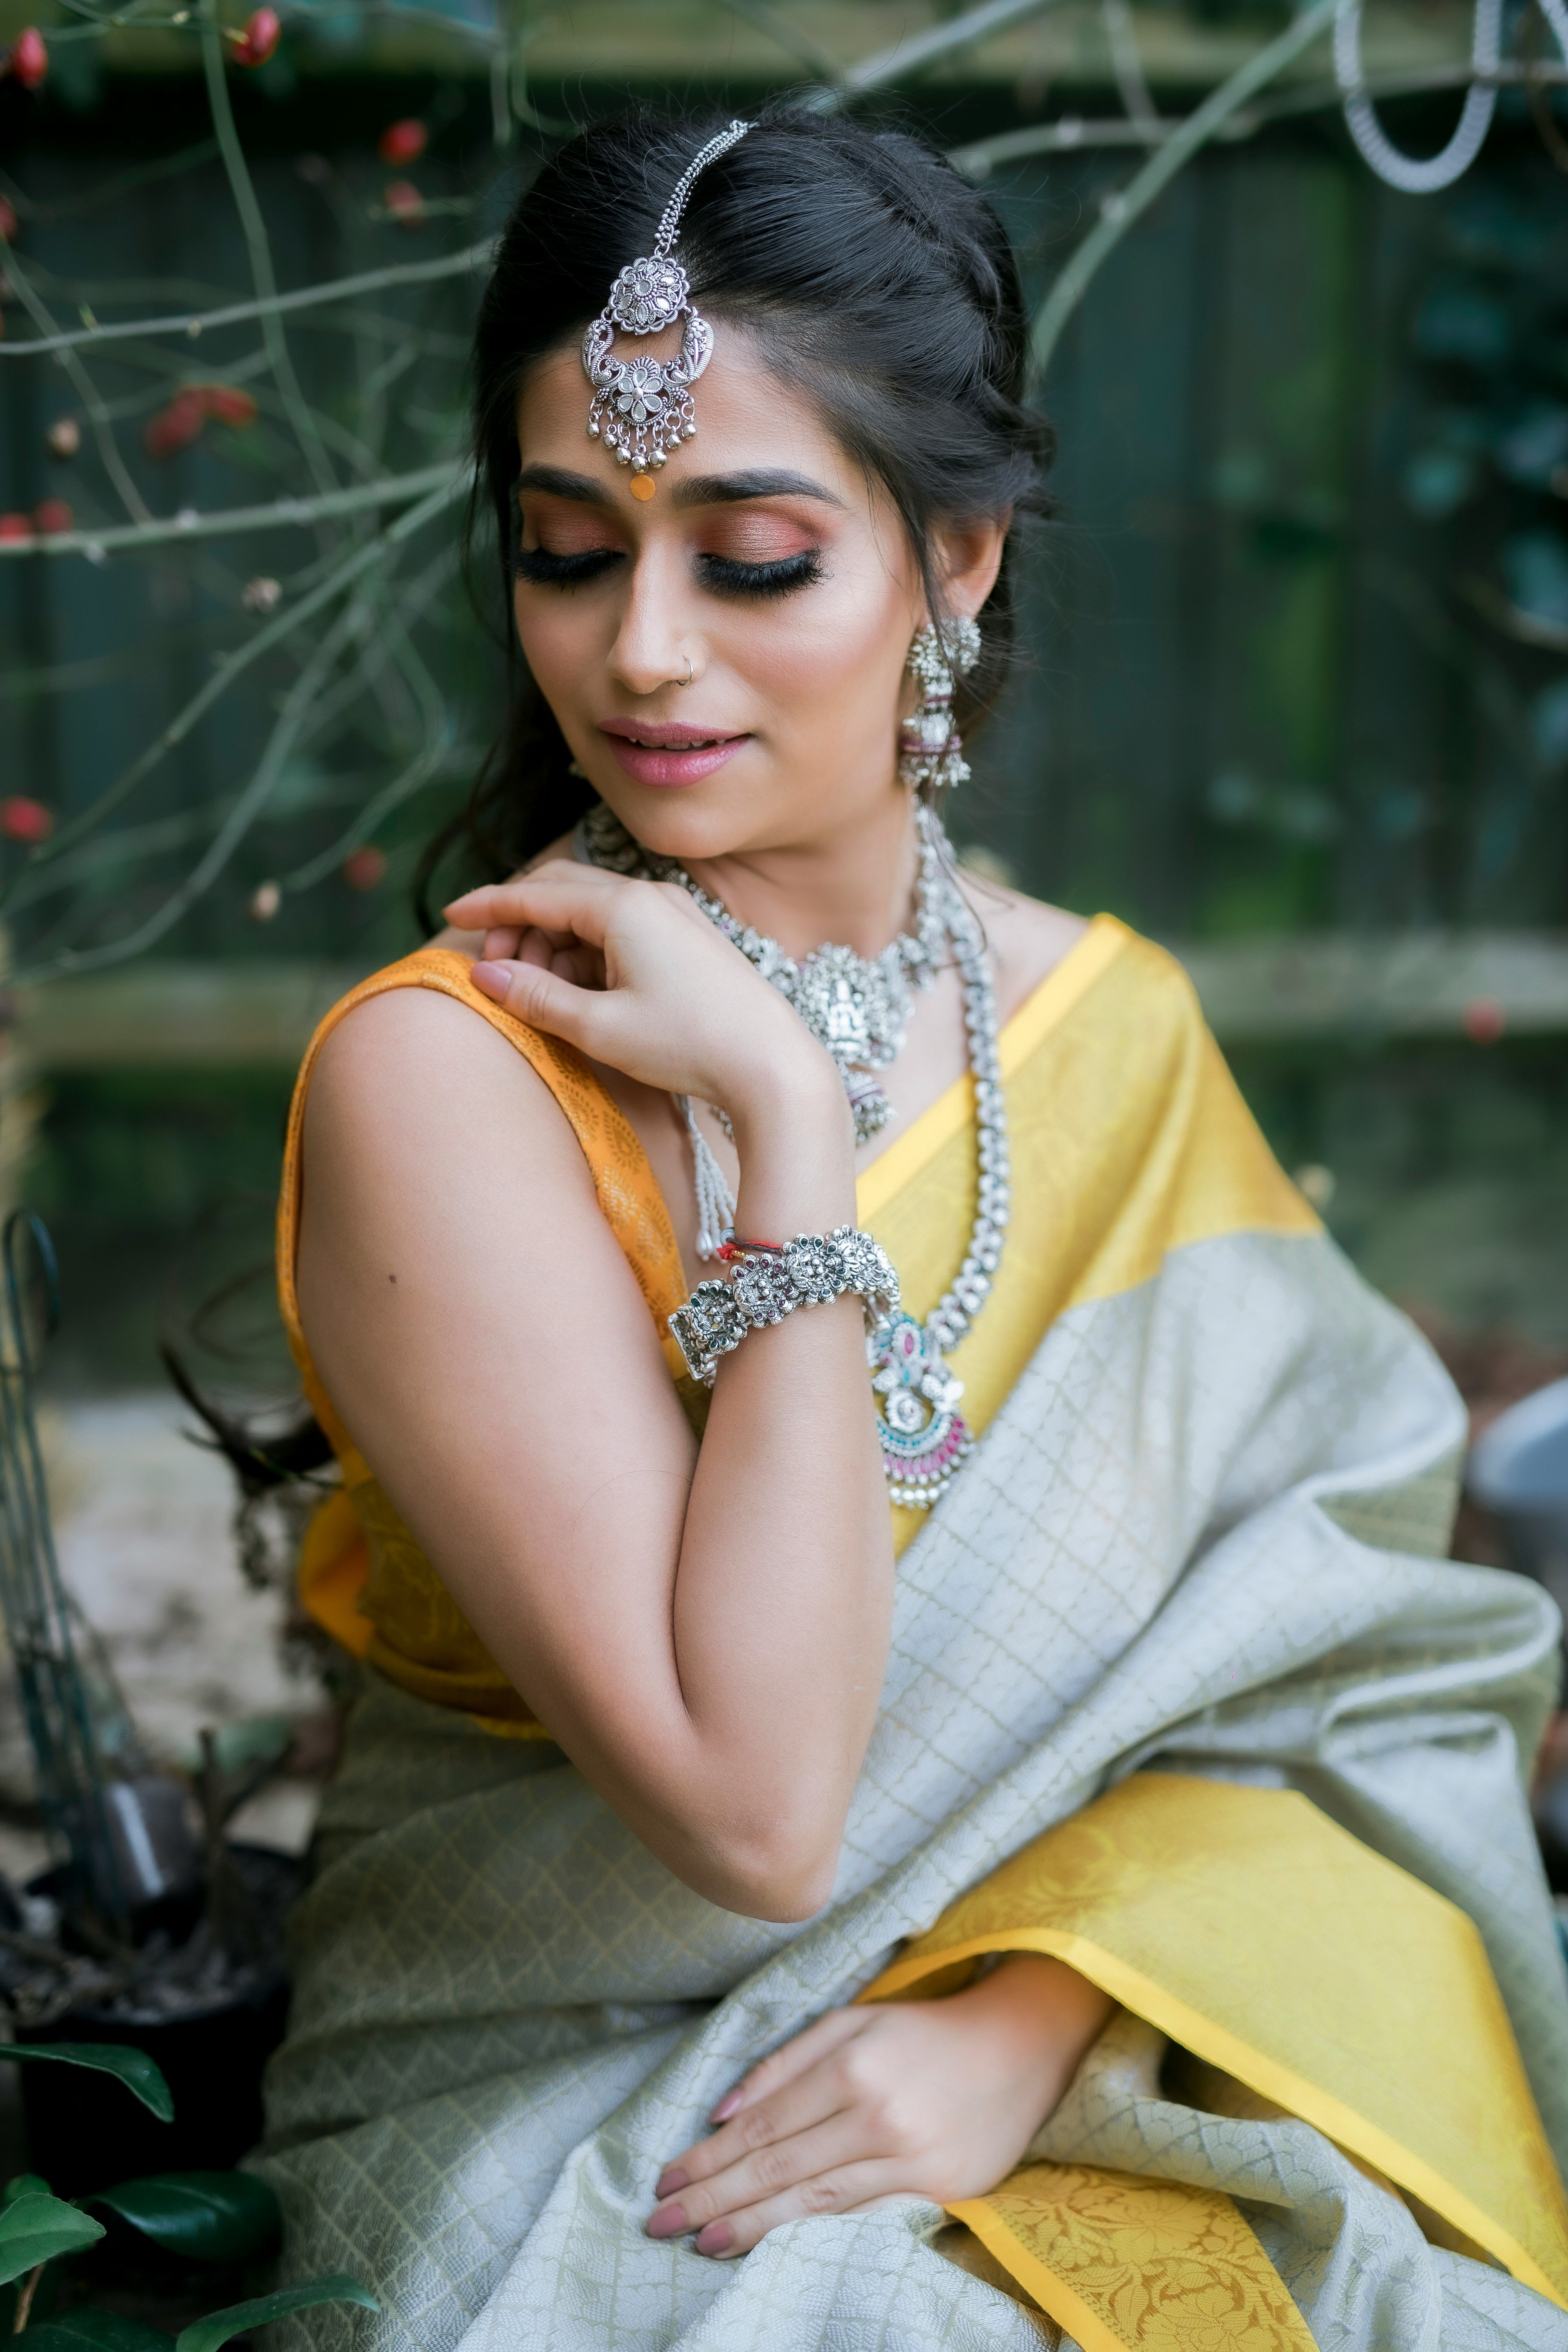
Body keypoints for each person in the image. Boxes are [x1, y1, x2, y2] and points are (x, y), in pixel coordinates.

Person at [255, 106, 1568, 2352]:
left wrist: (1044, 2009)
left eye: (749, 556)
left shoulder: (1108, 1039)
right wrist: (778, 1115)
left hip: (1077, 2050)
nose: (643, 652)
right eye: (569, 551)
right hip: (577, 2113)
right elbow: (760, 1825)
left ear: (956, 557)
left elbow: (1347, 1671)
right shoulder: (449, 1083)